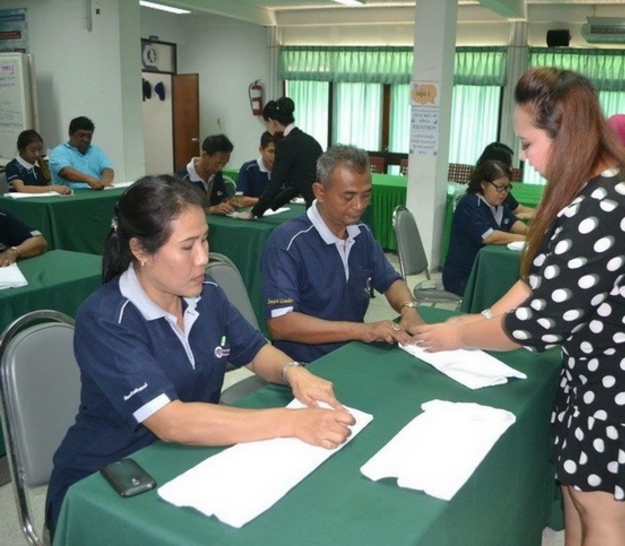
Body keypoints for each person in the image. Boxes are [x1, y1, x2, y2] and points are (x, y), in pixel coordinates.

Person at [412, 67, 625, 546]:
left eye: (528, 143)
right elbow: (537, 278)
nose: (522, 157)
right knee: (578, 491)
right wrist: (479, 318)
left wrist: (461, 335)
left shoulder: (608, 203)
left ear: (566, 135)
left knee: (604, 510)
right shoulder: (590, 187)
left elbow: (538, 323)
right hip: (609, 361)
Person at [44, 175, 355, 536]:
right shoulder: (107, 319)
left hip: (189, 457)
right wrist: (294, 422)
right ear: (140, 250)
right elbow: (171, 422)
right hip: (110, 479)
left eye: (205, 239)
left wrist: (293, 371)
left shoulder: (206, 292)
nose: (203, 258)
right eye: (187, 246)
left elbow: (254, 350)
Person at [260, 145, 425, 363]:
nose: (359, 205)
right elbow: (280, 324)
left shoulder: (361, 234)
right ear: (320, 192)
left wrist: (408, 309)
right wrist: (364, 330)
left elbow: (390, 280)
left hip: (353, 354)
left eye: (366, 195)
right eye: (348, 196)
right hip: (305, 365)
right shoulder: (287, 242)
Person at [442, 160, 528, 296]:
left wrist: (532, 233)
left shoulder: (499, 204)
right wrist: (523, 238)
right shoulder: (469, 204)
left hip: (487, 270)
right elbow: (490, 237)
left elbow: (515, 224)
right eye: (500, 187)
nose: (504, 193)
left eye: (507, 188)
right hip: (464, 276)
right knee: (510, 293)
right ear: (483, 184)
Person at [236, 97, 323, 219]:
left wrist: (253, 212)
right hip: (322, 203)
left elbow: (275, 183)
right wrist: (272, 206)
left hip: (315, 208)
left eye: (266, 124)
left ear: (272, 122)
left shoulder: (285, 144)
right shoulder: (309, 140)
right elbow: (297, 185)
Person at [175, 134, 238, 215]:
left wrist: (229, 203)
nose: (220, 168)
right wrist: (210, 210)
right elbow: (179, 210)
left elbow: (221, 199)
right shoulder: (182, 177)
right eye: (218, 163)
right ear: (204, 156)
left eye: (224, 164)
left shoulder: (216, 174)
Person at [49, 116, 115, 190]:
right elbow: (66, 172)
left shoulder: (95, 150)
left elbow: (108, 169)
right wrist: (90, 180)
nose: (85, 140)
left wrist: (105, 182)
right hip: (69, 194)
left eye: (89, 136)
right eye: (81, 135)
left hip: (96, 193)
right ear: (70, 133)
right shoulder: (59, 152)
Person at [476, 141, 535, 219]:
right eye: (509, 164)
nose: (511, 168)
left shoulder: (501, 191)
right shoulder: (476, 200)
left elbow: (519, 210)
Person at [5, 129, 71, 195]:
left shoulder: (41, 164)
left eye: (39, 150)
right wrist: (52, 188)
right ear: (21, 149)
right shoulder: (13, 166)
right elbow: (21, 188)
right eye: (32, 150)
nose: (37, 154)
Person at [234, 131, 276, 208]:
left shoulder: (285, 169)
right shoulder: (249, 169)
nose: (275, 156)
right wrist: (267, 200)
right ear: (261, 150)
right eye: (271, 151)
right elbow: (240, 200)